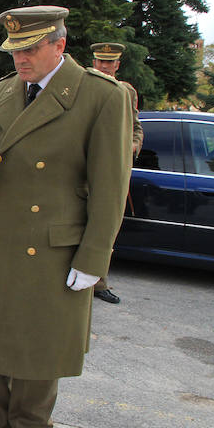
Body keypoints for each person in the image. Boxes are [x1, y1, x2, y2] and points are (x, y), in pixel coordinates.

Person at [0, 6, 131, 428]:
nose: (21, 59)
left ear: (59, 45)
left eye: (31, 49)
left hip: (54, 243)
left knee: (38, 341)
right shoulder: (0, 92)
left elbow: (111, 186)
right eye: (15, 50)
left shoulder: (100, 96)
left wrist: (95, 256)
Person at [89, 42, 144, 305]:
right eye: (99, 62)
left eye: (108, 63)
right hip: (84, 167)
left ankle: (98, 283)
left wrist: (130, 148)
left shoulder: (125, 91)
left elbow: (135, 128)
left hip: (111, 170)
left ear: (117, 65)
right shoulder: (84, 86)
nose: (103, 67)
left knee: (106, 225)